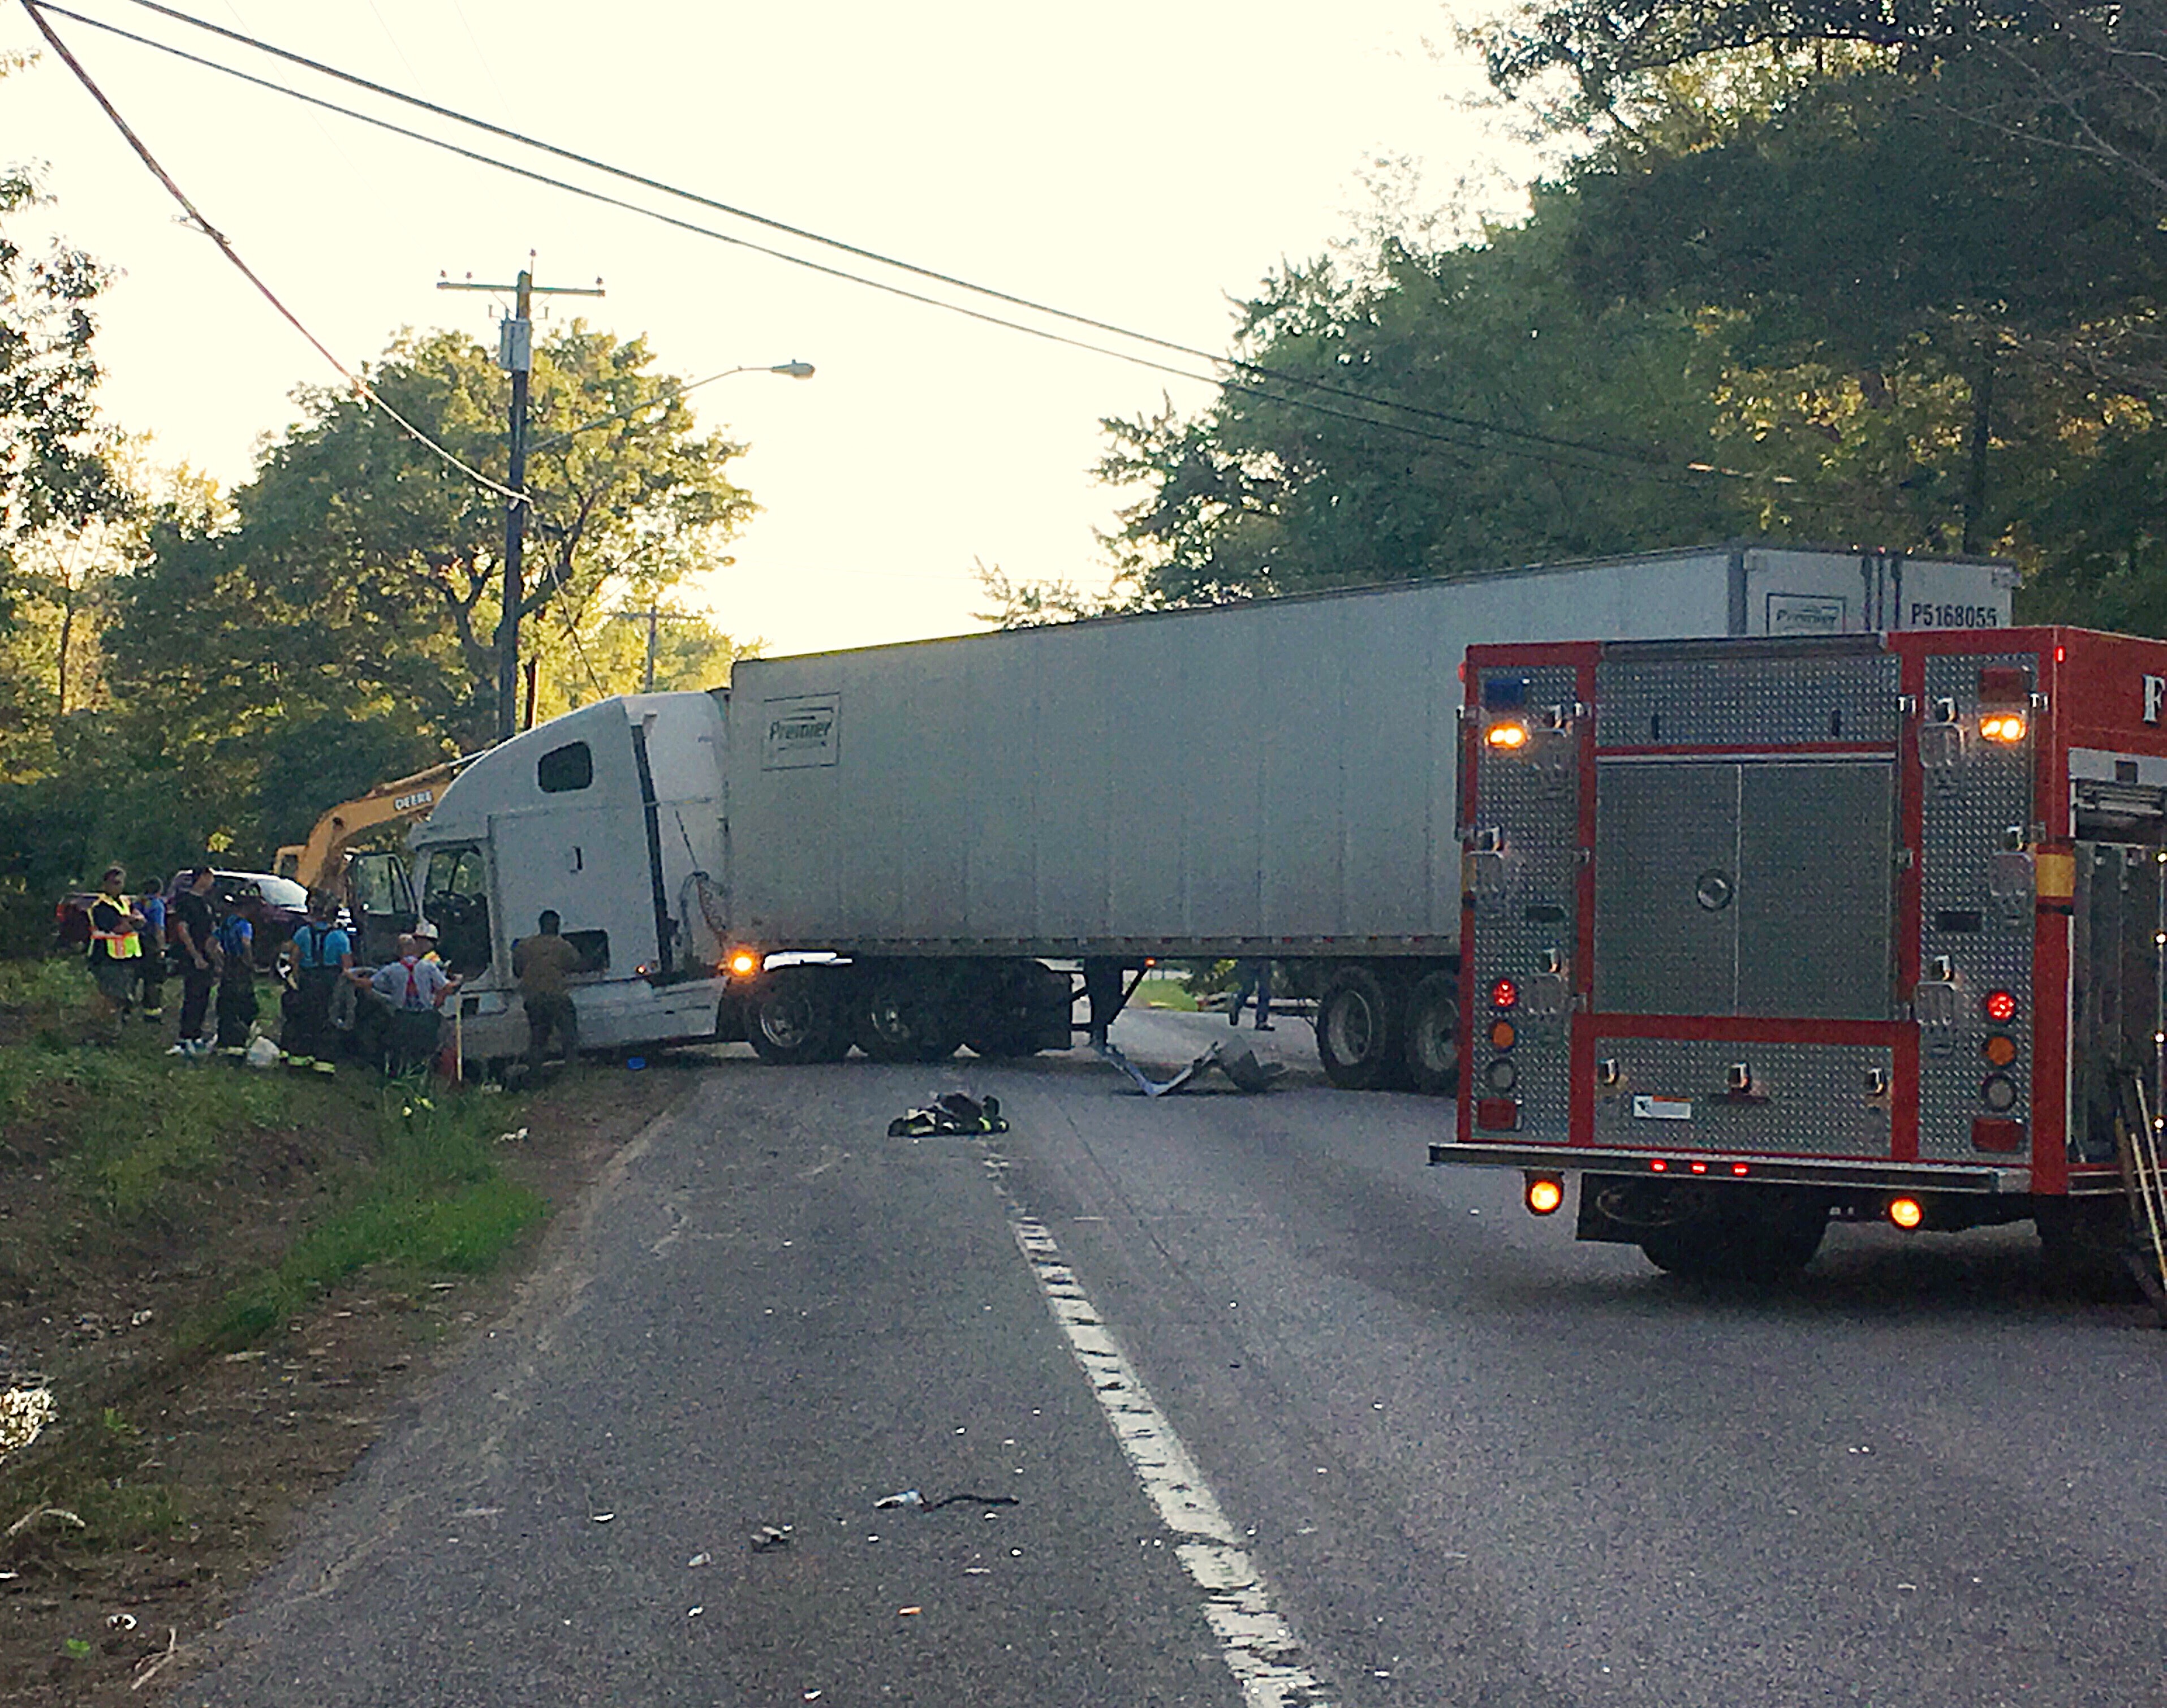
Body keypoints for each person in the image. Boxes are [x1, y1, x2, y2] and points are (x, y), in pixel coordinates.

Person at [357, 933, 459, 1073]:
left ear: (398, 951)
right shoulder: (429, 967)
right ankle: (422, 1079)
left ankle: (398, 1077)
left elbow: (369, 984)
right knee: (424, 1053)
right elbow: (446, 987)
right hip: (425, 1017)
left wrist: (351, 976)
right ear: (415, 948)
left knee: (399, 1050)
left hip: (402, 1017)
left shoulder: (392, 969)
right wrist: (457, 982)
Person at [281, 891, 352, 1073]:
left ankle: (299, 1057)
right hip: (330, 981)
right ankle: (324, 1062)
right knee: (327, 1019)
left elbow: (293, 959)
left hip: (308, 978)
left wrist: (297, 978)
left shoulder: (304, 932)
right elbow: (347, 967)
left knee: (305, 1017)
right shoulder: (340, 937)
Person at [511, 910, 583, 1073]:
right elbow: (577, 965)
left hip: (533, 997)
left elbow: (517, 971)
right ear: (557, 926)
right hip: (556, 995)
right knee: (569, 1034)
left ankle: (535, 1073)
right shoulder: (562, 945)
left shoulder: (524, 946)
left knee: (538, 1038)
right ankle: (572, 1071)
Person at [84, 865, 145, 1040]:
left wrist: (131, 920)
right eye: (114, 883)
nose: (117, 886)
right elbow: (119, 928)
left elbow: (140, 919)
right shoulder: (101, 907)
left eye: (120, 883)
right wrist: (131, 921)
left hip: (126, 958)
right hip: (106, 959)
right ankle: (103, 1033)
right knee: (112, 997)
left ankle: (112, 1031)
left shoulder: (125, 902)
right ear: (105, 885)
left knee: (123, 997)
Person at [167, 868, 218, 1054]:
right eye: (210, 877)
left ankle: (196, 1034)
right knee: (193, 995)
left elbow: (212, 928)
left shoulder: (207, 902)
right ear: (202, 878)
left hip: (207, 955)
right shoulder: (186, 901)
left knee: (203, 996)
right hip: (193, 956)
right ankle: (185, 1036)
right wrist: (195, 955)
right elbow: (183, 929)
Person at [212, 906, 257, 1054]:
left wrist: (220, 961)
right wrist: (249, 962)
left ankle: (223, 1041)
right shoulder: (245, 925)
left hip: (228, 966)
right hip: (240, 968)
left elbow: (210, 944)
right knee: (244, 1003)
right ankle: (238, 1042)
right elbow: (245, 943)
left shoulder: (227, 923)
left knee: (226, 1002)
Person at [136, 882, 166, 1023]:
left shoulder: (137, 903)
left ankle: (126, 1011)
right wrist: (161, 948)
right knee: (153, 980)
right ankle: (152, 1012)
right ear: (159, 891)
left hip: (135, 943)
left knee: (134, 978)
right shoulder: (157, 905)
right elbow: (158, 928)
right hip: (151, 945)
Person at [1228, 957, 1274, 1031]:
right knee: (1248, 988)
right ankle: (1236, 1005)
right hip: (1247, 956)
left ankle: (1261, 1020)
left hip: (1264, 957)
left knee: (1265, 989)